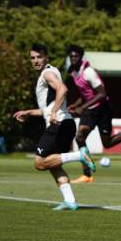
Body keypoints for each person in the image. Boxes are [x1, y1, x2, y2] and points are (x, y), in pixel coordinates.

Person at [13, 44, 96, 211]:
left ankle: (80, 155)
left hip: (58, 123)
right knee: (53, 164)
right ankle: (70, 201)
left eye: (39, 57)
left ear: (46, 57)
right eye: (32, 57)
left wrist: (54, 112)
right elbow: (47, 107)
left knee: (39, 162)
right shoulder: (52, 72)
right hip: (65, 122)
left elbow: (63, 89)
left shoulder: (47, 73)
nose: (36, 60)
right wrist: (29, 112)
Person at [65, 44, 121, 183]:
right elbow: (85, 92)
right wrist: (76, 104)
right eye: (71, 56)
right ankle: (87, 174)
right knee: (79, 137)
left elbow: (102, 94)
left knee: (107, 144)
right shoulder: (73, 71)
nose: (73, 58)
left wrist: (82, 107)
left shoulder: (88, 72)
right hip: (90, 110)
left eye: (76, 56)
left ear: (81, 57)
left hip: (103, 109)